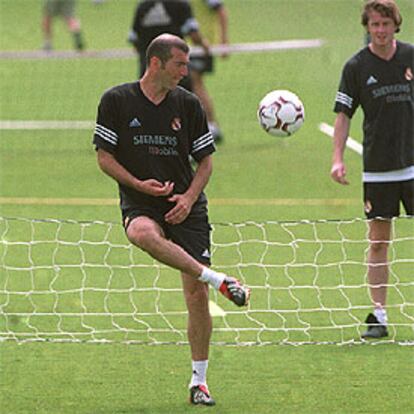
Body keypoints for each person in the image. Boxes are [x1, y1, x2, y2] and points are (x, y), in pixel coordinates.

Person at [93, 34, 250, 406]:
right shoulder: (116, 100)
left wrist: (189, 198)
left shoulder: (188, 104)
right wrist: (137, 185)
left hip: (186, 202)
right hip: (141, 200)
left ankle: (199, 382)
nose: (186, 70)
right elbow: (104, 157)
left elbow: (206, 161)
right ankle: (218, 279)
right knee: (142, 233)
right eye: (180, 64)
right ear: (156, 64)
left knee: (195, 295)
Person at [330, 0, 413, 339]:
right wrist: (337, 158)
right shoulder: (356, 67)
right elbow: (343, 116)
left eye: (386, 24)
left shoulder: (410, 57)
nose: (380, 30)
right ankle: (378, 315)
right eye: (374, 24)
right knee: (378, 242)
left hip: (413, 166)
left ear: (396, 25)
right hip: (378, 170)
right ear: (367, 27)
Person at [128, 0, 209, 91]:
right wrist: (203, 44)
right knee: (181, 101)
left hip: (149, 71)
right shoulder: (180, 4)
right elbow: (192, 32)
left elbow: (133, 38)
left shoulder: (142, 6)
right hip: (176, 70)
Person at [189, 0, 229, 142]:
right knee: (189, 86)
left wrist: (224, 41)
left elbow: (222, 11)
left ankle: (212, 125)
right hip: (187, 46)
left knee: (195, 83)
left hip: (202, 47)